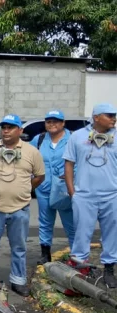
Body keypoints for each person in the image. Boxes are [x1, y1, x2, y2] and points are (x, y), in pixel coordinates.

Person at [0, 114, 44, 296]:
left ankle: (18, 280)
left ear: (20, 131)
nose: (6, 130)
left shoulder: (31, 152)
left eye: (10, 127)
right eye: (4, 127)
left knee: (19, 247)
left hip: (19, 208)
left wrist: (25, 189)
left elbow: (39, 176)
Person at [64, 103, 117, 287]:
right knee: (82, 234)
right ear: (96, 117)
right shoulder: (77, 136)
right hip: (84, 196)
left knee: (112, 234)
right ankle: (80, 271)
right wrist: (73, 193)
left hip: (112, 195)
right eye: (109, 115)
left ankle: (109, 269)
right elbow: (69, 163)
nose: (114, 118)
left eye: (114, 115)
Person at [32, 110, 75, 264]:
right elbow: (30, 158)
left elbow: (82, 159)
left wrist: (73, 175)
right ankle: (45, 255)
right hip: (43, 188)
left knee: (71, 223)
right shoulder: (39, 139)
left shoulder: (72, 139)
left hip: (64, 189)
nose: (52, 124)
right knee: (45, 222)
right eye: (49, 121)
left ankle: (76, 257)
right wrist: (32, 177)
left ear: (63, 123)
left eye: (56, 121)